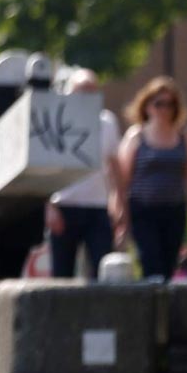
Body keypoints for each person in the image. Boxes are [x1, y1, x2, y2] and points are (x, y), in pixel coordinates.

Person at [116, 76, 187, 282]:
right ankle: (152, 308)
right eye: (159, 103)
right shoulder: (136, 136)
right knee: (151, 262)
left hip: (174, 209)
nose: (164, 109)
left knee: (168, 265)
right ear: (147, 106)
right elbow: (123, 179)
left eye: (170, 104)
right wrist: (121, 215)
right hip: (143, 210)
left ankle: (164, 309)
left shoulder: (183, 136)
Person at [45, 70, 120, 281]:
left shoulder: (107, 122)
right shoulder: (56, 120)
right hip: (65, 205)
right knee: (62, 274)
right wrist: (49, 207)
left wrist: (118, 202)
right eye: (81, 92)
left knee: (102, 269)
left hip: (97, 207)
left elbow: (115, 166)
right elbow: (44, 169)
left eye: (90, 91)